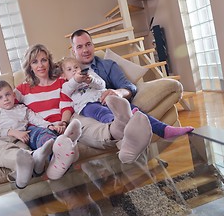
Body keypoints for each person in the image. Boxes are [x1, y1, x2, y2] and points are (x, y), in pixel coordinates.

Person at [69, 29, 194, 163]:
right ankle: (128, 139)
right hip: (85, 110)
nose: (85, 50)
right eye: (80, 47)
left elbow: (129, 86)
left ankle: (164, 130)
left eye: (88, 44)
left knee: (125, 106)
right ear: (73, 51)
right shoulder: (67, 70)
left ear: (93, 45)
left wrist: (119, 92)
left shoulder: (107, 65)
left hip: (108, 103)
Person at [0, 44, 81, 186]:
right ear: (29, 66)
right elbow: (2, 103)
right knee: (44, 136)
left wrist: (63, 123)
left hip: (59, 125)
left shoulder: (61, 82)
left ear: (49, 61)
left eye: (44, 60)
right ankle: (62, 149)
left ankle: (64, 145)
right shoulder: (24, 88)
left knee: (60, 133)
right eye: (35, 62)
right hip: (38, 129)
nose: (40, 65)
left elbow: (66, 104)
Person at [59, 56, 139, 123]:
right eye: (69, 69)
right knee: (101, 111)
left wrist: (91, 80)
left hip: (102, 97)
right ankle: (113, 122)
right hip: (86, 105)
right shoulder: (66, 85)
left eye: (76, 67)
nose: (74, 70)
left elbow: (102, 85)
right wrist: (76, 80)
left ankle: (133, 115)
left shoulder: (90, 74)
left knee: (121, 103)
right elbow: (68, 89)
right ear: (64, 75)